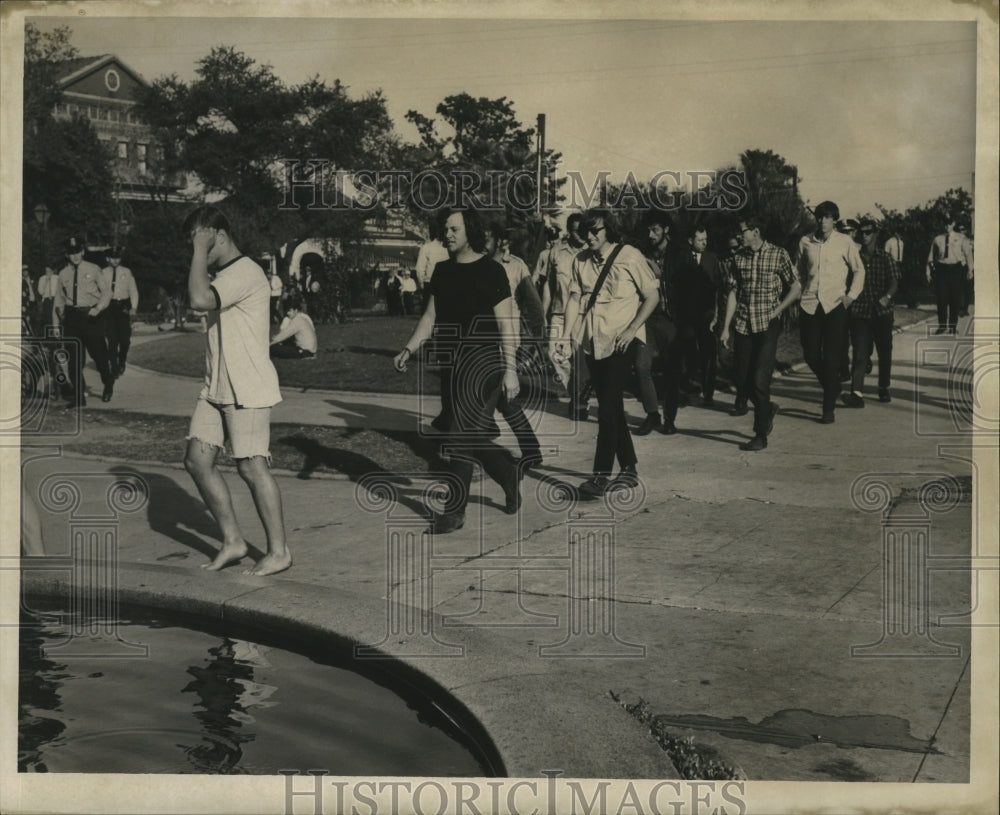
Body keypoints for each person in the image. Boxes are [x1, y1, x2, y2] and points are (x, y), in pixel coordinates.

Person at [394, 207, 522, 534]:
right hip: (452, 364)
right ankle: (507, 473)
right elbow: (429, 318)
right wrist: (409, 348)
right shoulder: (442, 271)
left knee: (459, 437)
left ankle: (454, 511)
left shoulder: (492, 271)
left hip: (484, 363)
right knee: (468, 434)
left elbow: (506, 325)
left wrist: (510, 370)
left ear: (471, 232)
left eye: (454, 229)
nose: (448, 235)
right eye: (446, 229)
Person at [181, 205, 291, 576]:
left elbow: (198, 300)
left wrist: (199, 248)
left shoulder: (245, 271)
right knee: (197, 460)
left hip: (248, 388)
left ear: (219, 236)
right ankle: (234, 541)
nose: (197, 252)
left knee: (251, 466)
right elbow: (199, 295)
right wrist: (200, 250)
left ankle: (279, 551)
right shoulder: (222, 274)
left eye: (202, 242)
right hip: (216, 387)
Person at [557, 208, 659, 498]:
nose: (589, 237)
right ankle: (629, 469)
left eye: (595, 231)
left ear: (608, 231)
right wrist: (566, 337)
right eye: (585, 232)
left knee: (607, 409)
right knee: (610, 405)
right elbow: (574, 300)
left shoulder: (630, 256)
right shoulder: (580, 261)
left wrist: (632, 329)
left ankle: (600, 477)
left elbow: (652, 295)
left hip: (620, 343)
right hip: (593, 343)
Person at [720, 215, 801, 451]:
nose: (738, 236)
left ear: (755, 232)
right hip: (744, 324)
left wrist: (779, 308)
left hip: (767, 324)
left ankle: (760, 434)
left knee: (759, 379)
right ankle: (768, 408)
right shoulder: (739, 258)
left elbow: (796, 286)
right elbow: (733, 293)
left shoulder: (778, 254)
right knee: (741, 379)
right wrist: (726, 327)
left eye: (742, 231)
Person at [796, 201, 866, 424]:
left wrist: (850, 296)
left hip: (835, 306)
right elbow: (797, 272)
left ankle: (828, 410)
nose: (822, 221)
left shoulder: (844, 242)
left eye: (827, 217)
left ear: (834, 220)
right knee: (811, 354)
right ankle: (832, 385)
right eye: (819, 217)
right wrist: (798, 294)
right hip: (810, 304)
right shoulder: (805, 241)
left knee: (832, 358)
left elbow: (858, 270)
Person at [843, 218, 900, 407]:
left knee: (884, 352)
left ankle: (883, 387)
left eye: (868, 232)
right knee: (859, 352)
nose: (864, 236)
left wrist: (888, 297)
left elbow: (894, 281)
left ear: (875, 234)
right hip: (860, 312)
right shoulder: (855, 257)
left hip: (882, 312)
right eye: (862, 233)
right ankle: (856, 393)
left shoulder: (885, 257)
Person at [634, 209, 681, 436]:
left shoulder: (680, 252)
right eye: (648, 230)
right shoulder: (642, 253)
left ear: (666, 230)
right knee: (642, 366)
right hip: (647, 318)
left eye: (655, 230)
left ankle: (669, 418)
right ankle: (652, 415)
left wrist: (658, 273)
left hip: (671, 320)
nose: (651, 234)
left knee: (672, 370)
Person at [53, 237, 115, 405]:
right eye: (71, 253)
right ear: (67, 255)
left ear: (82, 252)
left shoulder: (94, 269)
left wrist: (98, 308)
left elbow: (107, 293)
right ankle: (79, 397)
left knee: (99, 356)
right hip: (72, 319)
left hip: (91, 317)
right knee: (74, 360)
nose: (75, 256)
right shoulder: (63, 274)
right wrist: (56, 325)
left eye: (77, 252)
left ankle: (108, 384)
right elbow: (58, 300)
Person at [543, 213, 591, 420]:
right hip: (559, 313)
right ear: (569, 231)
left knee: (583, 360)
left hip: (582, 314)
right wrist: (544, 313)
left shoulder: (591, 253)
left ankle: (580, 399)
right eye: (577, 230)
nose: (581, 235)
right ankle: (578, 394)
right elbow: (548, 284)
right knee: (556, 356)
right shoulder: (555, 252)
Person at [675, 227, 722, 407]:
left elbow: (719, 289)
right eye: (700, 239)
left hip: (707, 317)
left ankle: (708, 393)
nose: (704, 242)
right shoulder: (681, 259)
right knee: (688, 356)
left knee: (708, 355)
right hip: (686, 318)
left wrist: (717, 316)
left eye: (706, 239)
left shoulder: (712, 259)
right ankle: (685, 390)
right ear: (690, 241)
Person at [926, 217, 974, 334]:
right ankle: (942, 326)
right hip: (942, 270)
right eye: (945, 224)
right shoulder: (937, 239)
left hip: (956, 270)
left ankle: (952, 326)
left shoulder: (961, 238)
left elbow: (968, 255)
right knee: (941, 298)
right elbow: (931, 257)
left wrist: (970, 270)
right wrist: (928, 271)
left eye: (949, 224)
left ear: (953, 224)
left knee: (954, 298)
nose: (947, 226)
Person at [101, 245, 139, 378]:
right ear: (107, 258)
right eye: (112, 258)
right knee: (112, 340)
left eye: (117, 258)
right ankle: (114, 366)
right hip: (108, 308)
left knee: (124, 340)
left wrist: (133, 307)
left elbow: (133, 291)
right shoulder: (102, 273)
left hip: (122, 307)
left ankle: (121, 361)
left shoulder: (126, 272)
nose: (115, 260)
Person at [269, 294, 318, 358]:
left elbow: (284, 335)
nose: (287, 313)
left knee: (273, 348)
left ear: (296, 311)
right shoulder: (301, 318)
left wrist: (269, 345)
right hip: (309, 350)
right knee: (285, 344)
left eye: (290, 311)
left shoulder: (297, 320)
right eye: (287, 311)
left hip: (305, 352)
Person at [415, 225, 449, 313]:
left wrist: (421, 283)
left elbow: (419, 268)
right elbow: (420, 268)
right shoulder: (427, 247)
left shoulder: (448, 248)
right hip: (431, 283)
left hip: (440, 283)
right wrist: (422, 282)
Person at [36, 265, 59, 333]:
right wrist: (46, 282)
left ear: (53, 271)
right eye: (46, 271)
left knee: (56, 318)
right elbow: (40, 291)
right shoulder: (42, 278)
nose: (48, 273)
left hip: (55, 299)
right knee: (48, 318)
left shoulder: (57, 278)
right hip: (46, 300)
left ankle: (57, 334)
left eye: (49, 271)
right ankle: (49, 335)